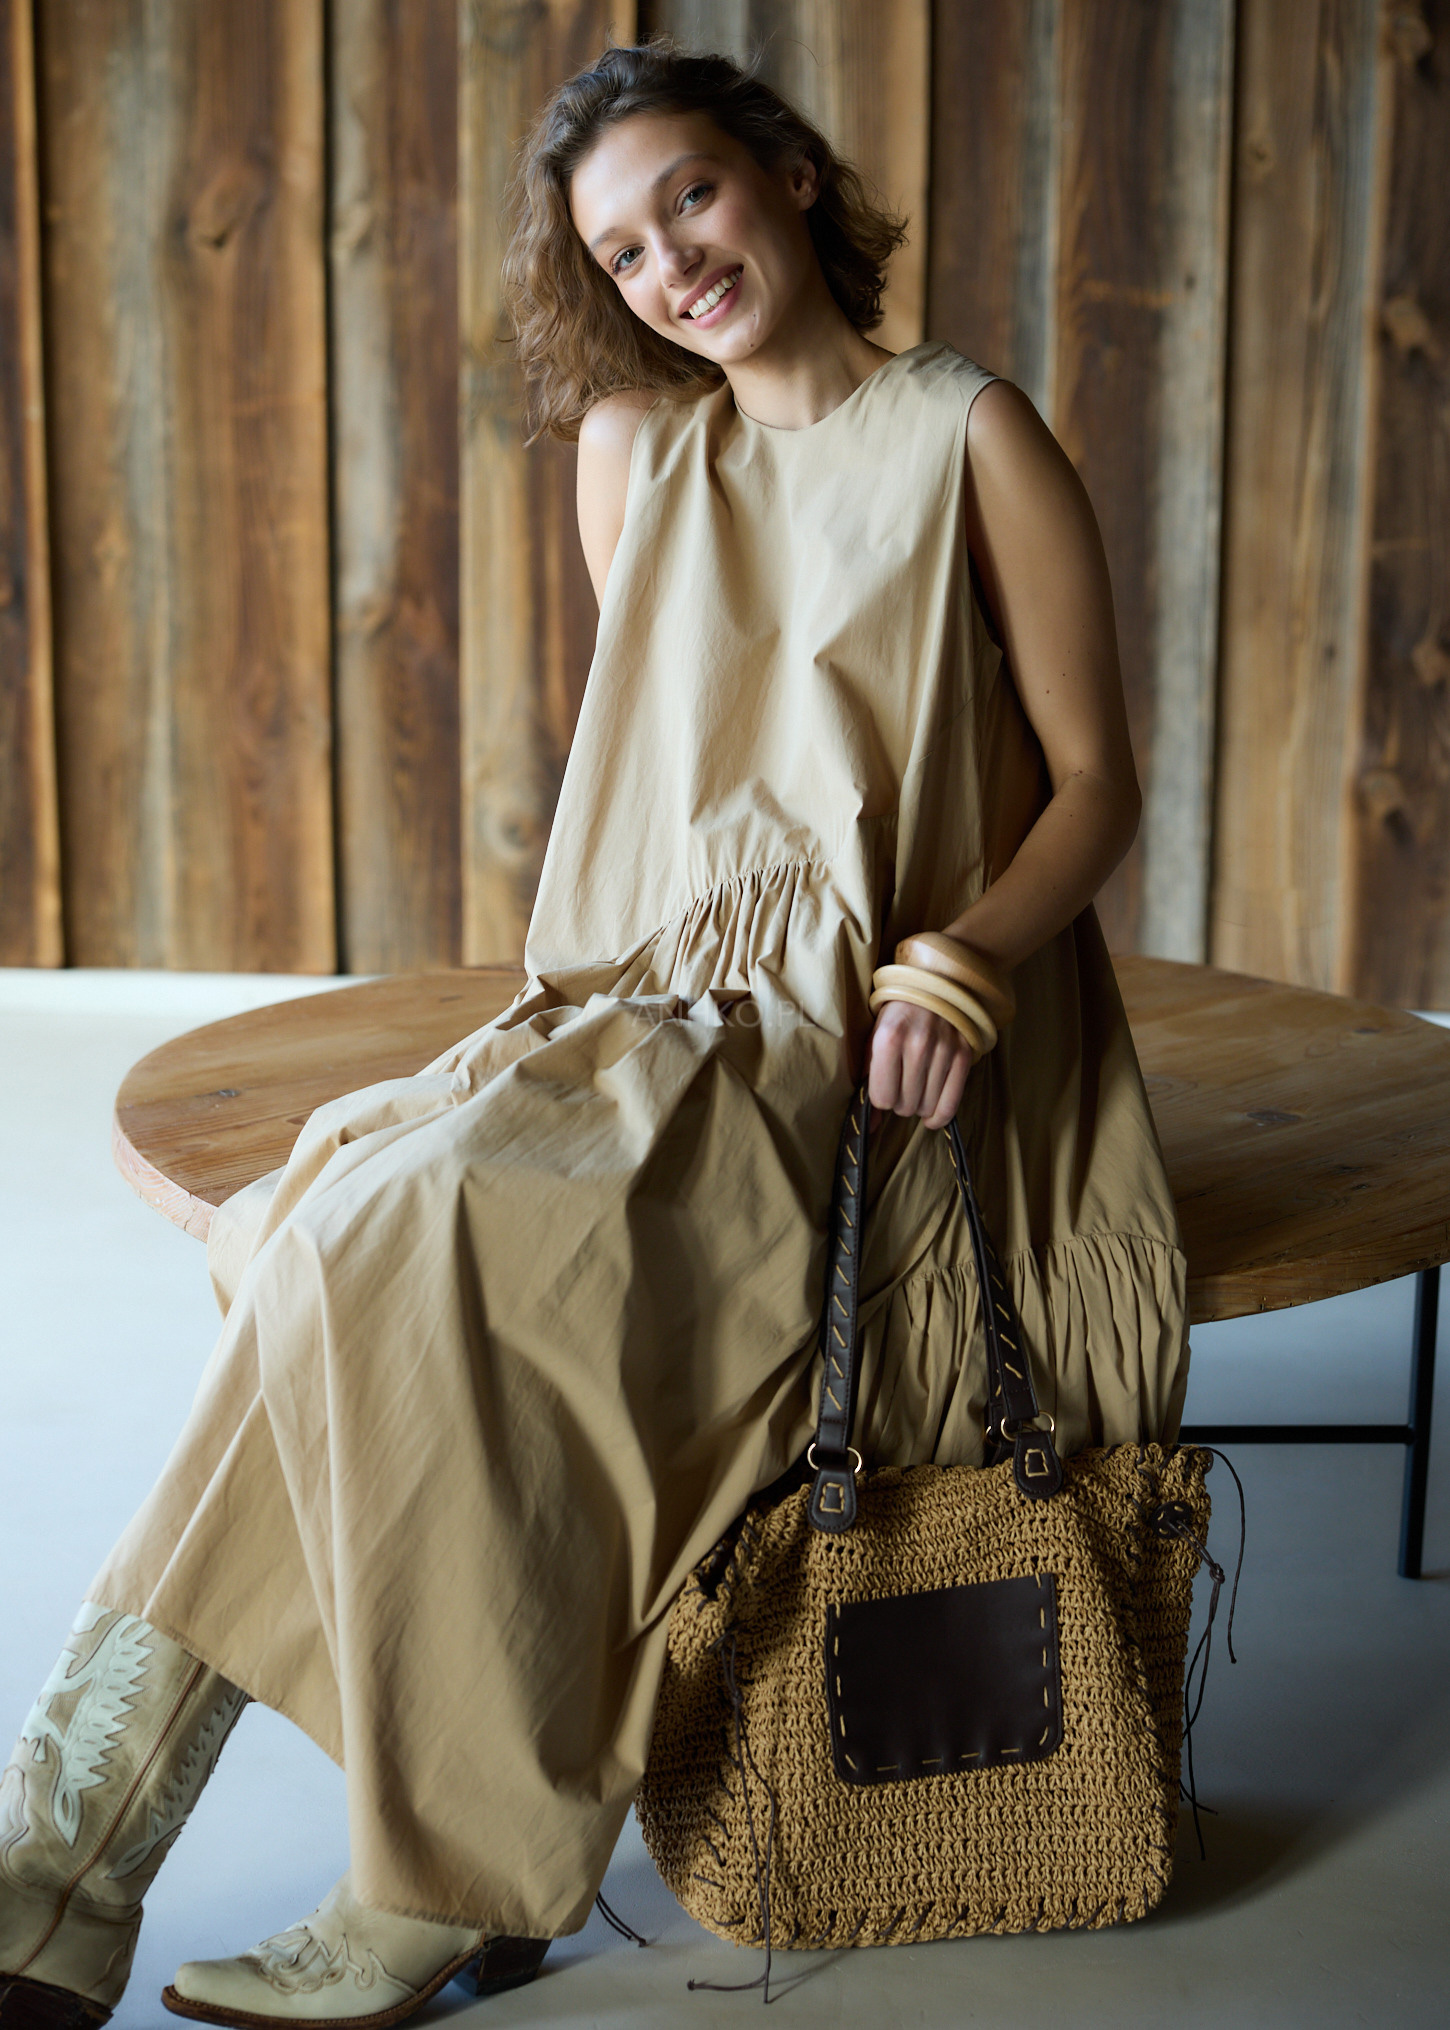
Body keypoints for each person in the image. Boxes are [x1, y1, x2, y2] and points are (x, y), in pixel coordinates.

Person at [0, 39, 1189, 2030]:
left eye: (690, 199)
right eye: (622, 250)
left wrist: (962, 965)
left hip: (849, 1027)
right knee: (330, 1223)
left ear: (786, 173)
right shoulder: (635, 450)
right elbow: (677, 795)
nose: (667, 265)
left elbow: (1093, 782)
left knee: (380, 1236)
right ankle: (81, 1852)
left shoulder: (967, 433)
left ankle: (271, 1870)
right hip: (632, 1005)